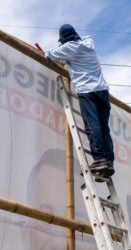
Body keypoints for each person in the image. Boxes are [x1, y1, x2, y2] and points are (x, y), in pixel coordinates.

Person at [37, 24, 115, 178]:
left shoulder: (68, 48)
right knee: (104, 128)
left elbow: (49, 55)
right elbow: (85, 38)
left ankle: (99, 160)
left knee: (93, 125)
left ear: (63, 39)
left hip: (87, 91)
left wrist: (61, 48)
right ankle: (109, 162)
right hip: (103, 91)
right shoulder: (88, 43)